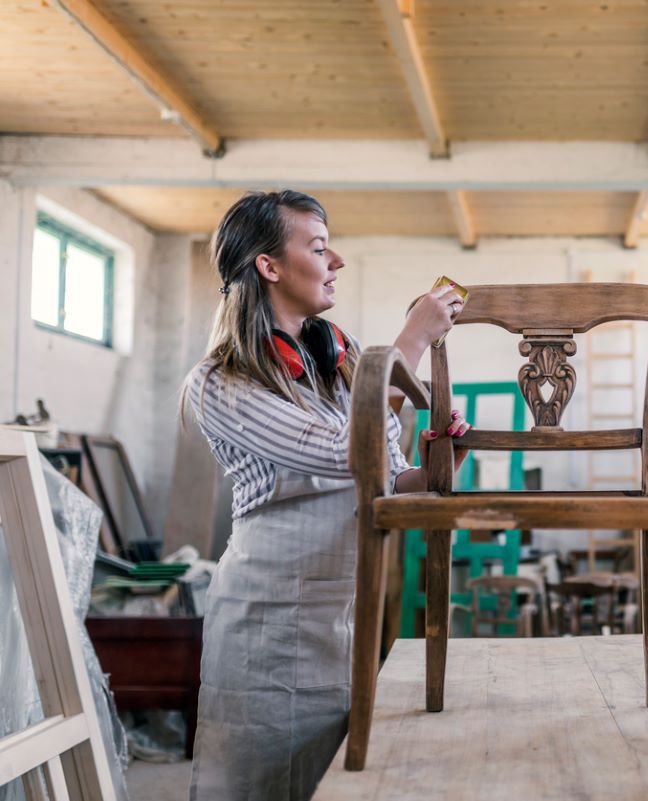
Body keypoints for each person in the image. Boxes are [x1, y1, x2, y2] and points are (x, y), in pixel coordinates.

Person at [183, 190, 470, 801]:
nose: (335, 259)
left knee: (332, 783)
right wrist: (408, 345)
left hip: (341, 620)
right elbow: (345, 454)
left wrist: (438, 464)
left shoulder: (337, 375)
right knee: (257, 786)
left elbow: (387, 484)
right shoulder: (220, 381)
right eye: (317, 246)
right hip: (267, 625)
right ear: (269, 266)